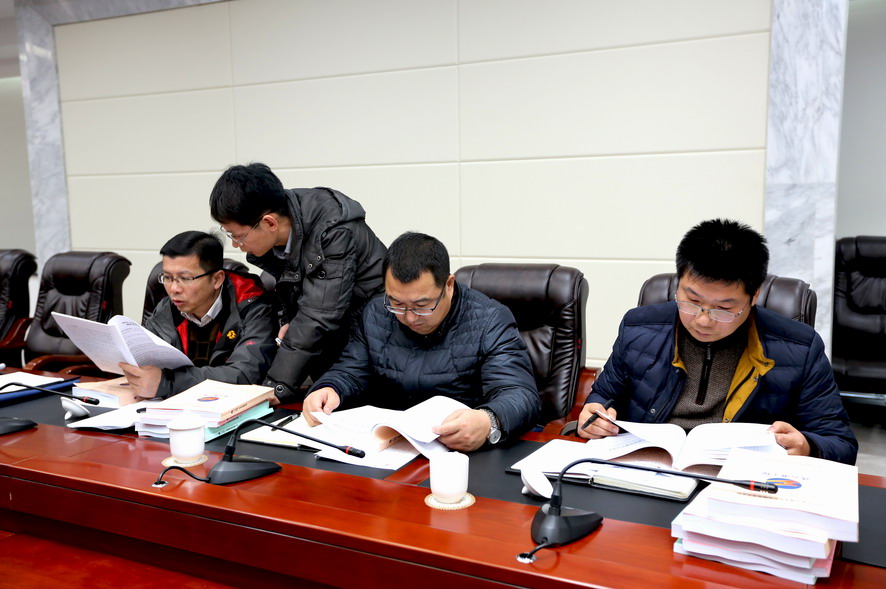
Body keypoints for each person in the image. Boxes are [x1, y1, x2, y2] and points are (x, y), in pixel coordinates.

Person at [578, 218, 858, 465]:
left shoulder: (800, 347)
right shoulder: (638, 327)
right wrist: (592, 418)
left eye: (723, 309)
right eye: (692, 301)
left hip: (738, 479)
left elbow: (840, 443)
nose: (703, 320)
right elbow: (602, 398)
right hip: (649, 468)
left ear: (754, 296)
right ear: (678, 283)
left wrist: (808, 446)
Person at [302, 232, 541, 452]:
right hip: (389, 449)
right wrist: (330, 388)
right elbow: (350, 371)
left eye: (422, 305)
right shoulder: (376, 313)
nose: (410, 317)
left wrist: (489, 421)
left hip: (457, 454)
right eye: (397, 303)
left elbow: (519, 394)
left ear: (449, 285)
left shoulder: (489, 320)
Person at [210, 163, 387, 403]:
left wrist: (276, 387)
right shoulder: (283, 230)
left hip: (370, 343)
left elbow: (318, 316)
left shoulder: (333, 231)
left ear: (269, 223)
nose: (235, 244)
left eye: (238, 236)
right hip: (335, 340)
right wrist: (290, 321)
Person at [119, 231, 277, 399]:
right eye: (167, 277)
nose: (174, 289)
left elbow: (245, 374)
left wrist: (168, 383)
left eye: (185, 278)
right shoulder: (167, 308)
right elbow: (146, 361)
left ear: (217, 279)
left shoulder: (252, 307)